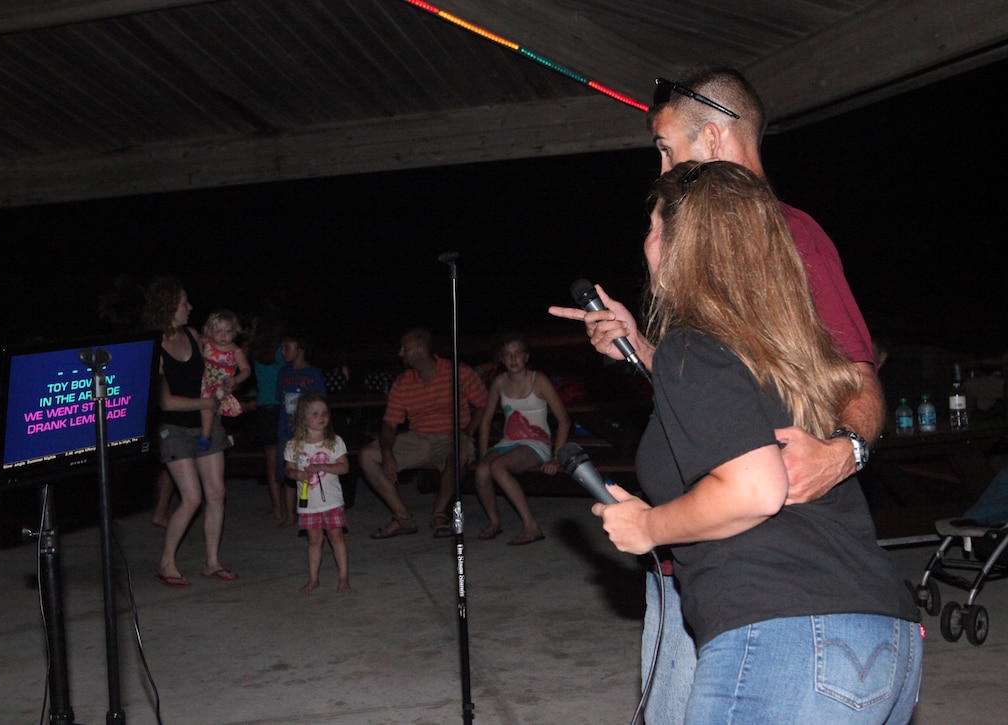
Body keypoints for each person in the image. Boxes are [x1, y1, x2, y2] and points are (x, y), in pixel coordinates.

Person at [548, 66, 886, 722]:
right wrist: (641, 348)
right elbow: (727, 398)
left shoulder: (791, 235)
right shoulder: (702, 253)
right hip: (706, 561)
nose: (664, 164)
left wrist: (847, 450)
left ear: (714, 134)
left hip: (771, 584)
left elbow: (856, 374)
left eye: (669, 149)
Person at [597, 160, 921, 722]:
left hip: (783, 638)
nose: (646, 242)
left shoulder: (693, 346)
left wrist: (646, 526)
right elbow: (725, 417)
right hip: (885, 638)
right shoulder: (800, 355)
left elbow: (754, 490)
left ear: (683, 245)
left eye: (654, 226)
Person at [141, 275, 237, 587]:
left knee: (217, 493)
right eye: (185, 302)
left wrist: (228, 382)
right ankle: (166, 562)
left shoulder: (194, 335)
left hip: (207, 424)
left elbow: (218, 368)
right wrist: (204, 402)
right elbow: (165, 402)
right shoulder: (154, 347)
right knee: (193, 498)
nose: (190, 307)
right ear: (169, 305)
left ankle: (212, 562)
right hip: (175, 429)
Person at [360, 327, 487, 539]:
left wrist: (468, 430)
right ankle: (403, 517)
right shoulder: (403, 382)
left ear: (420, 350)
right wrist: (388, 453)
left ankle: (439, 514)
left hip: (451, 436)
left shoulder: (458, 372)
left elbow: (484, 404)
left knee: (459, 454)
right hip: (418, 438)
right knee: (367, 456)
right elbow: (389, 425)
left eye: (405, 348)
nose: (400, 353)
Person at [474, 333, 570, 545]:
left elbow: (564, 420)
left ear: (526, 357)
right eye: (507, 355)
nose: (513, 359)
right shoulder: (499, 382)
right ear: (501, 359)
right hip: (508, 442)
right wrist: (483, 455)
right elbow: (486, 420)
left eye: (518, 353)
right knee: (482, 471)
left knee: (498, 467)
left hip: (536, 443)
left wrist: (556, 458)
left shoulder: (539, 380)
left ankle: (531, 526)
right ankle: (494, 522)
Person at [283, 393, 350, 593]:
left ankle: (343, 577)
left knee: (336, 536)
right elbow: (288, 469)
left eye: (324, 413)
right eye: (315, 414)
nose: (321, 417)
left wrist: (324, 466)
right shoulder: (294, 444)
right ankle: (313, 579)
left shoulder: (334, 442)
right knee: (314, 539)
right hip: (308, 501)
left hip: (331, 500)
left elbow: (344, 467)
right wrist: (297, 474)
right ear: (303, 417)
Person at [275, 332, 327, 528]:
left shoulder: (313, 374)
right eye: (282, 347)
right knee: (289, 474)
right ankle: (290, 515)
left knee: (310, 473)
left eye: (287, 347)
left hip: (308, 434)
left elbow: (321, 401)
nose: (283, 351)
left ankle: (312, 511)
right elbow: (280, 398)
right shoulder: (283, 373)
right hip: (286, 432)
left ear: (300, 349)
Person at [249, 316, 289, 520]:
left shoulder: (256, 349)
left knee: (272, 459)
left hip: (264, 406)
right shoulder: (279, 351)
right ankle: (290, 507)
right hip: (281, 406)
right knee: (288, 456)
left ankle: (277, 508)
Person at [196, 309, 251, 452]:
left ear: (234, 332)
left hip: (221, 386)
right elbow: (192, 338)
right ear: (210, 331)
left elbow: (246, 369)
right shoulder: (206, 342)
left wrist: (236, 379)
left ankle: (205, 436)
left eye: (227, 331)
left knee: (207, 405)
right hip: (204, 381)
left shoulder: (236, 351)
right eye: (218, 331)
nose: (223, 335)